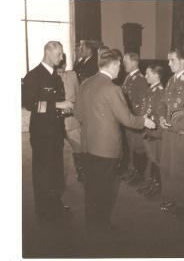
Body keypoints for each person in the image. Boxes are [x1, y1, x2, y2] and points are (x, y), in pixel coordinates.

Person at [74, 50, 155, 238]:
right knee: (104, 190)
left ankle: (91, 223)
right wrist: (145, 121)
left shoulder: (86, 83)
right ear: (111, 65)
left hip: (87, 145)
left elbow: (78, 114)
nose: (120, 69)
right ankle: (101, 228)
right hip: (105, 149)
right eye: (119, 65)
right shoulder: (112, 88)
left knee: (91, 187)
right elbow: (127, 119)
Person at [22, 41, 73, 220]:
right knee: (43, 171)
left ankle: (54, 202)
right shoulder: (33, 76)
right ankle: (43, 209)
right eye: (59, 54)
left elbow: (58, 100)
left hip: (56, 131)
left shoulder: (55, 76)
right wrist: (57, 105)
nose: (61, 57)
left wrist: (63, 108)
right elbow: (30, 104)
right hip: (42, 133)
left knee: (56, 170)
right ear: (48, 53)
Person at [159, 48, 184, 216]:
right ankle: (170, 198)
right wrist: (161, 117)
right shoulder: (170, 80)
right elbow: (162, 104)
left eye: (172, 60)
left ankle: (182, 203)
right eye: (168, 61)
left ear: (183, 61)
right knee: (167, 166)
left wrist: (177, 126)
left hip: (182, 132)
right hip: (168, 132)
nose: (169, 64)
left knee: (182, 169)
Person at [136, 64, 166, 198]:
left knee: (157, 160)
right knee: (152, 159)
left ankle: (157, 185)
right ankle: (152, 182)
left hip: (155, 131)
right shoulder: (151, 89)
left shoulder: (159, 91)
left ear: (155, 75)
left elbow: (160, 113)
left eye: (148, 74)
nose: (145, 76)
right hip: (149, 129)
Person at [55, 53, 85, 182]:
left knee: (78, 146)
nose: (59, 72)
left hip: (72, 120)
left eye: (61, 67)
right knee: (55, 150)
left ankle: (81, 172)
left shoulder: (72, 76)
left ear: (65, 65)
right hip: (55, 120)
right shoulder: (49, 77)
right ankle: (57, 177)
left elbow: (79, 96)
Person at [120, 52, 149, 185]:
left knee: (138, 148)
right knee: (131, 146)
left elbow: (144, 102)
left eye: (126, 61)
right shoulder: (129, 77)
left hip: (136, 119)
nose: (123, 64)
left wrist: (140, 121)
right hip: (129, 118)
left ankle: (140, 175)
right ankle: (134, 171)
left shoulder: (140, 79)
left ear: (134, 62)